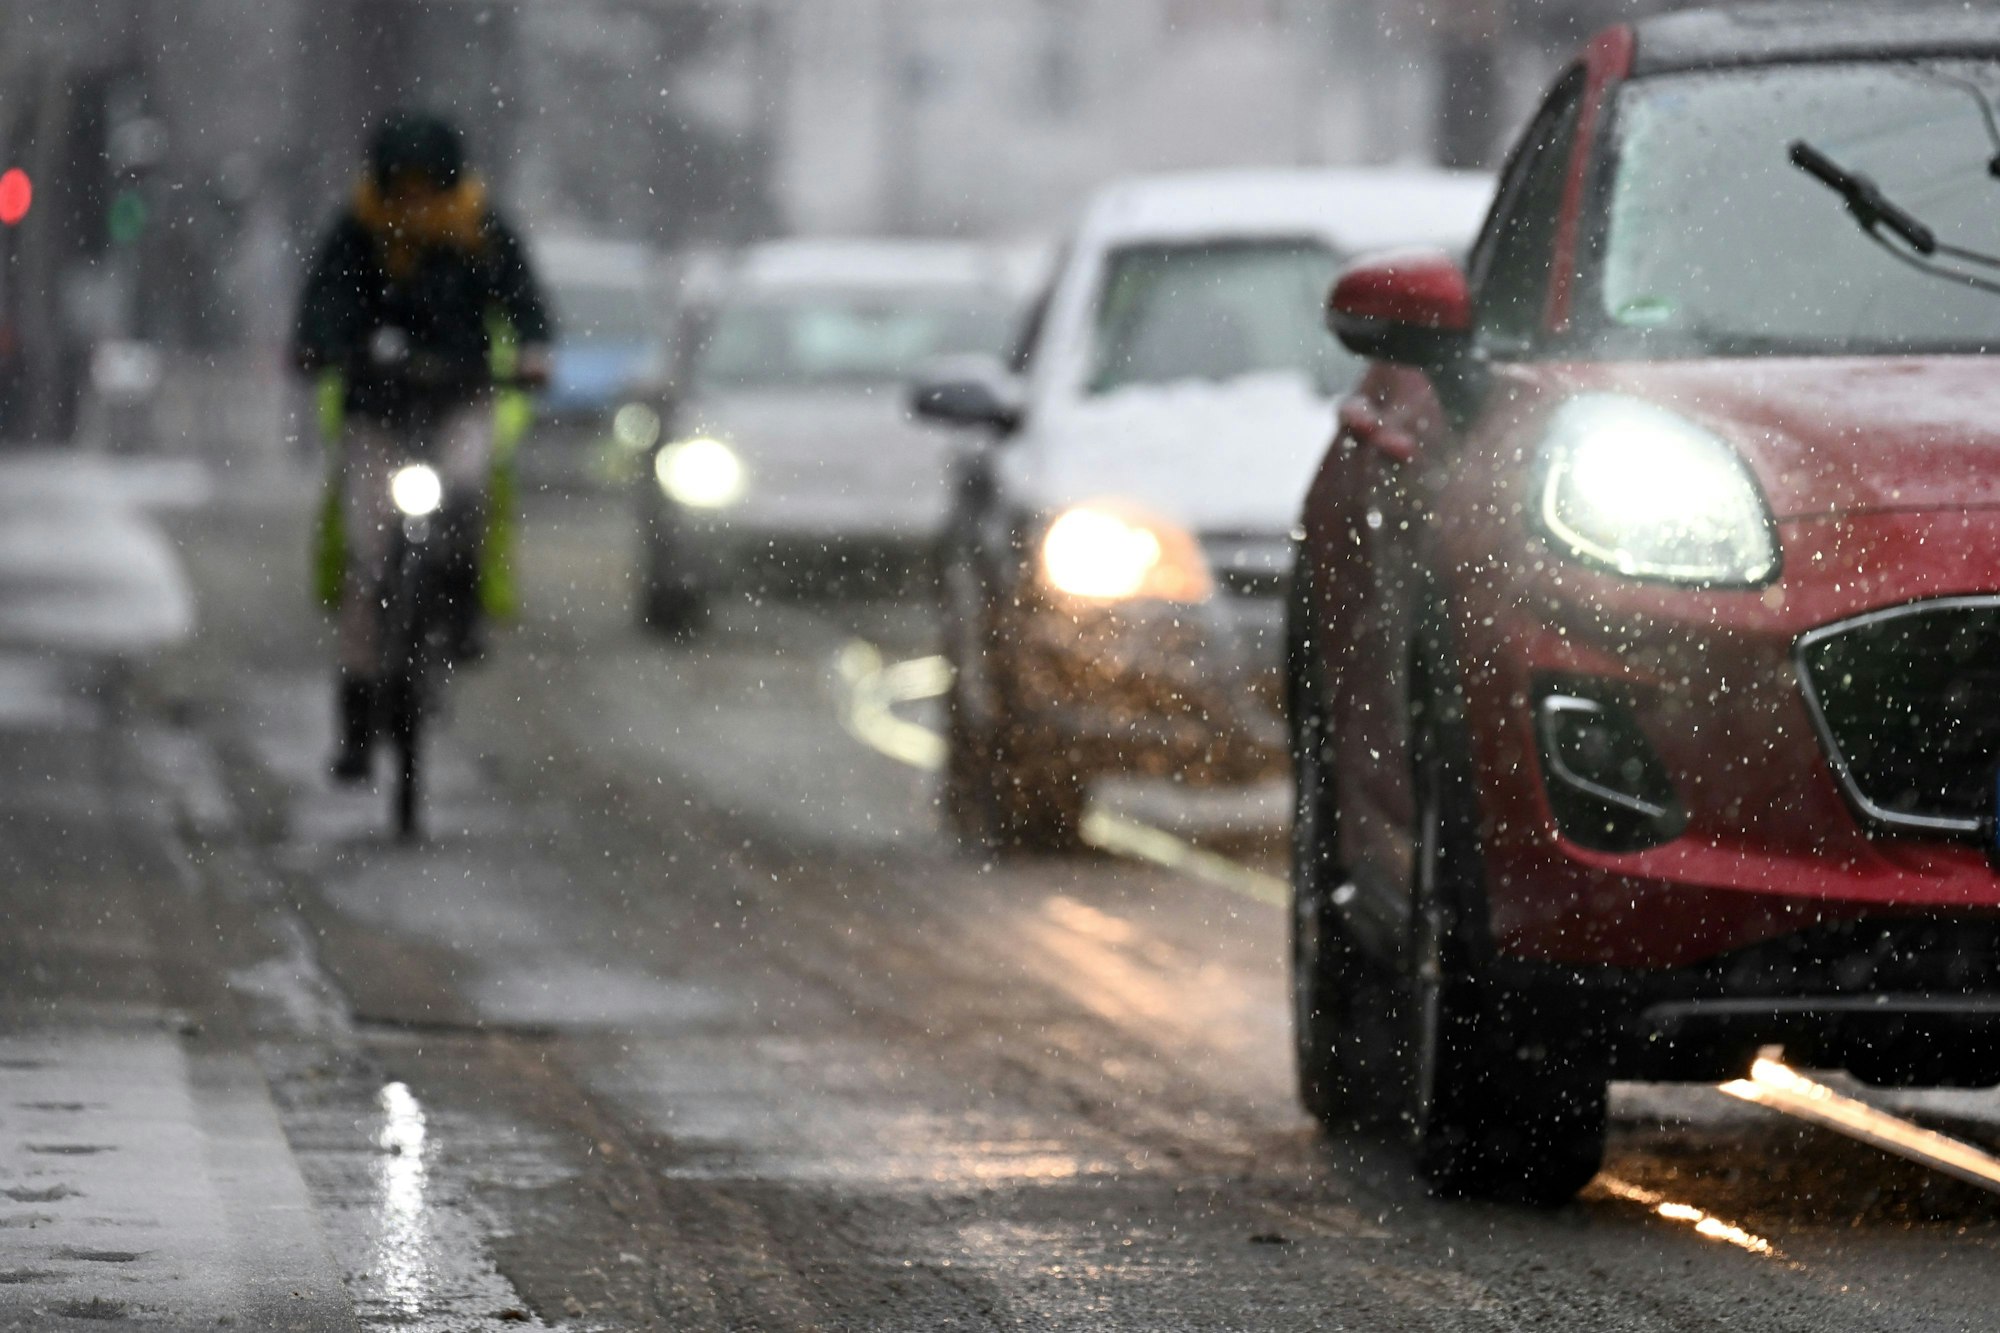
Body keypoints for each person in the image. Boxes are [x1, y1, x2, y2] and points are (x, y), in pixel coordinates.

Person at [292, 111, 552, 782]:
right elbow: (324, 300)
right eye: (400, 184)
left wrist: (531, 349)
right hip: (379, 409)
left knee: (467, 488)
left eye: (424, 184)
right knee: (368, 558)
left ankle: (459, 603)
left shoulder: (480, 228)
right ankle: (355, 719)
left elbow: (524, 300)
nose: (412, 199)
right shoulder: (358, 231)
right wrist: (322, 343)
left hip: (462, 397)